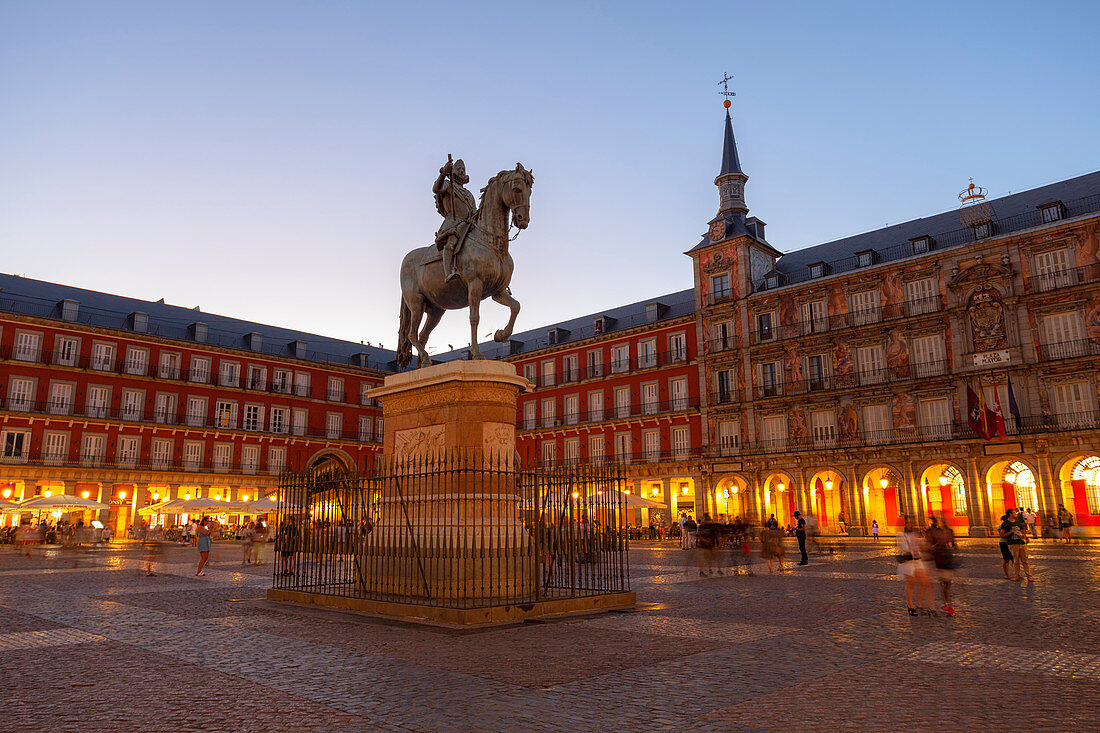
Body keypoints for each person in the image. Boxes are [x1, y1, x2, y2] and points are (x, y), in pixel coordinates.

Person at [432, 156, 478, 282]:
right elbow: (436, 188)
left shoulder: (469, 194)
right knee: (451, 243)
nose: (462, 171)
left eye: (463, 169)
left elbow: (473, 211)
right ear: (452, 172)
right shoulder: (448, 184)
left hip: (468, 225)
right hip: (453, 223)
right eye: (458, 169)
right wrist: (443, 173)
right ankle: (448, 273)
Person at [896, 514, 932, 616]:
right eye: (908, 523)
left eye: (911, 522)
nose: (910, 525)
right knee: (911, 583)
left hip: (917, 560)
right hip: (907, 561)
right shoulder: (900, 534)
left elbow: (921, 545)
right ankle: (910, 606)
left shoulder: (913, 534)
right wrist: (914, 543)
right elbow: (905, 548)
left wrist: (923, 539)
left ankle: (920, 603)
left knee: (924, 581)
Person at [926, 516, 958, 616]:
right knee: (945, 584)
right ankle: (948, 605)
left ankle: (947, 605)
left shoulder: (946, 531)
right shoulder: (939, 532)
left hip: (945, 559)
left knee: (946, 585)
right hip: (941, 560)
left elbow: (953, 545)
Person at [1000, 507, 1036, 582]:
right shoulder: (1005, 524)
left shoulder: (1018, 522)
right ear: (1010, 514)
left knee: (1025, 560)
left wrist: (1025, 535)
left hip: (1021, 543)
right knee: (1016, 561)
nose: (1016, 513)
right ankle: (1017, 576)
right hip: (1013, 544)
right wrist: (1010, 532)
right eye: (1014, 512)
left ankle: (1029, 576)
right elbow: (1002, 535)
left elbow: (1022, 531)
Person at [997, 512, 1013, 579]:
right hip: (1004, 543)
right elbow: (1001, 535)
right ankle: (1006, 574)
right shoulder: (1002, 526)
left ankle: (1016, 574)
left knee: (1013, 558)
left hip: (1010, 542)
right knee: (1006, 559)